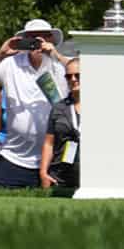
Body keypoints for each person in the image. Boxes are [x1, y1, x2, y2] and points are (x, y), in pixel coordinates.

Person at [0, 20, 64, 190]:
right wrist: (1, 53)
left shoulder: (60, 65)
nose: (37, 40)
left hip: (50, 159)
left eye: (43, 36)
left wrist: (56, 55)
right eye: (31, 37)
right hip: (12, 157)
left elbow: (85, 74)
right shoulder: (11, 64)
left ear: (50, 39)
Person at [44, 56, 80, 196]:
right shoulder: (58, 108)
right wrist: (43, 172)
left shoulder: (100, 106)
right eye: (68, 76)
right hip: (61, 176)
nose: (73, 79)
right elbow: (48, 143)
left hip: (92, 178)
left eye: (78, 75)